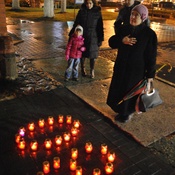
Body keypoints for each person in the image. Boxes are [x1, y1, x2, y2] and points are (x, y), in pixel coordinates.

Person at [107, 4, 157, 123]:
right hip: (121, 66)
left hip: (136, 71)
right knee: (119, 89)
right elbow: (111, 42)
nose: (133, 17)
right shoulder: (125, 29)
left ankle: (126, 113)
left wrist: (150, 75)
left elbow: (151, 56)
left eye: (136, 15)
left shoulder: (149, 34)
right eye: (132, 14)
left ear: (143, 17)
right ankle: (119, 110)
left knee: (129, 91)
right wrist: (122, 40)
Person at [69, 0, 104, 79]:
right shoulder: (82, 11)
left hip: (93, 36)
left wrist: (100, 38)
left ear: (93, 3)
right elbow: (76, 23)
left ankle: (92, 70)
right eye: (87, 3)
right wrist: (71, 34)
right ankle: (83, 68)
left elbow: (100, 26)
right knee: (82, 53)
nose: (88, 5)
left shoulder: (97, 12)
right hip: (82, 35)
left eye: (90, 3)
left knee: (93, 55)